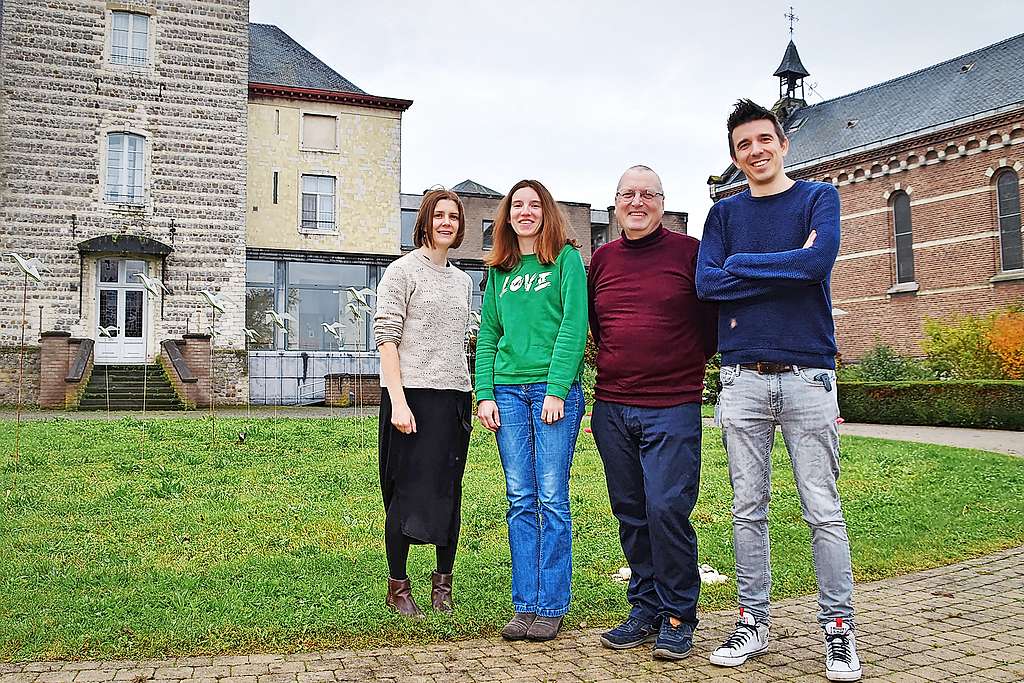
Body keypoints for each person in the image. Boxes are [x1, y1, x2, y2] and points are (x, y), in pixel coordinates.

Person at [696, 99, 861, 682]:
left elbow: (816, 265)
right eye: (744, 145)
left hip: (809, 377)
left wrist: (746, 265)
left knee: (822, 510)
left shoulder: (820, 198)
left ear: (783, 143)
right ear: (735, 156)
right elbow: (708, 282)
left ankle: (839, 633)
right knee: (747, 509)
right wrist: (779, 268)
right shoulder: (724, 216)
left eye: (764, 140)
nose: (756, 151)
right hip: (741, 380)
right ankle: (752, 621)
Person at [588, 165, 718, 660]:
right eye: (627, 194)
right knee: (632, 513)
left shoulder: (690, 253)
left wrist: (676, 366)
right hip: (613, 406)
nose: (637, 202)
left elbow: (710, 325)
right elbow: (600, 327)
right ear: (614, 203)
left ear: (662, 202)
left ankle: (679, 613)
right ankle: (644, 608)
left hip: (673, 407)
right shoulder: (601, 260)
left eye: (648, 194)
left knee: (667, 509)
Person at [474, 179, 588, 642]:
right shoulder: (499, 271)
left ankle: (552, 604)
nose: (525, 211)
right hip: (507, 393)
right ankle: (525, 605)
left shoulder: (566, 259)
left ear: (546, 212)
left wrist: (558, 389)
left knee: (551, 498)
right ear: (507, 215)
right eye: (516, 205)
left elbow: (573, 326)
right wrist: (484, 393)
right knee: (520, 498)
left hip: (551, 392)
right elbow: (486, 336)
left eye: (533, 204)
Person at [373, 188, 474, 619]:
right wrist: (398, 400)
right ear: (424, 221)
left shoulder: (464, 281)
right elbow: (386, 339)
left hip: (454, 399)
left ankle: (442, 586)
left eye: (454, 216)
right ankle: (398, 588)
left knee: (448, 493)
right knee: (404, 494)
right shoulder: (401, 272)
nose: (446, 222)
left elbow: (466, 340)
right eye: (439, 215)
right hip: (410, 398)